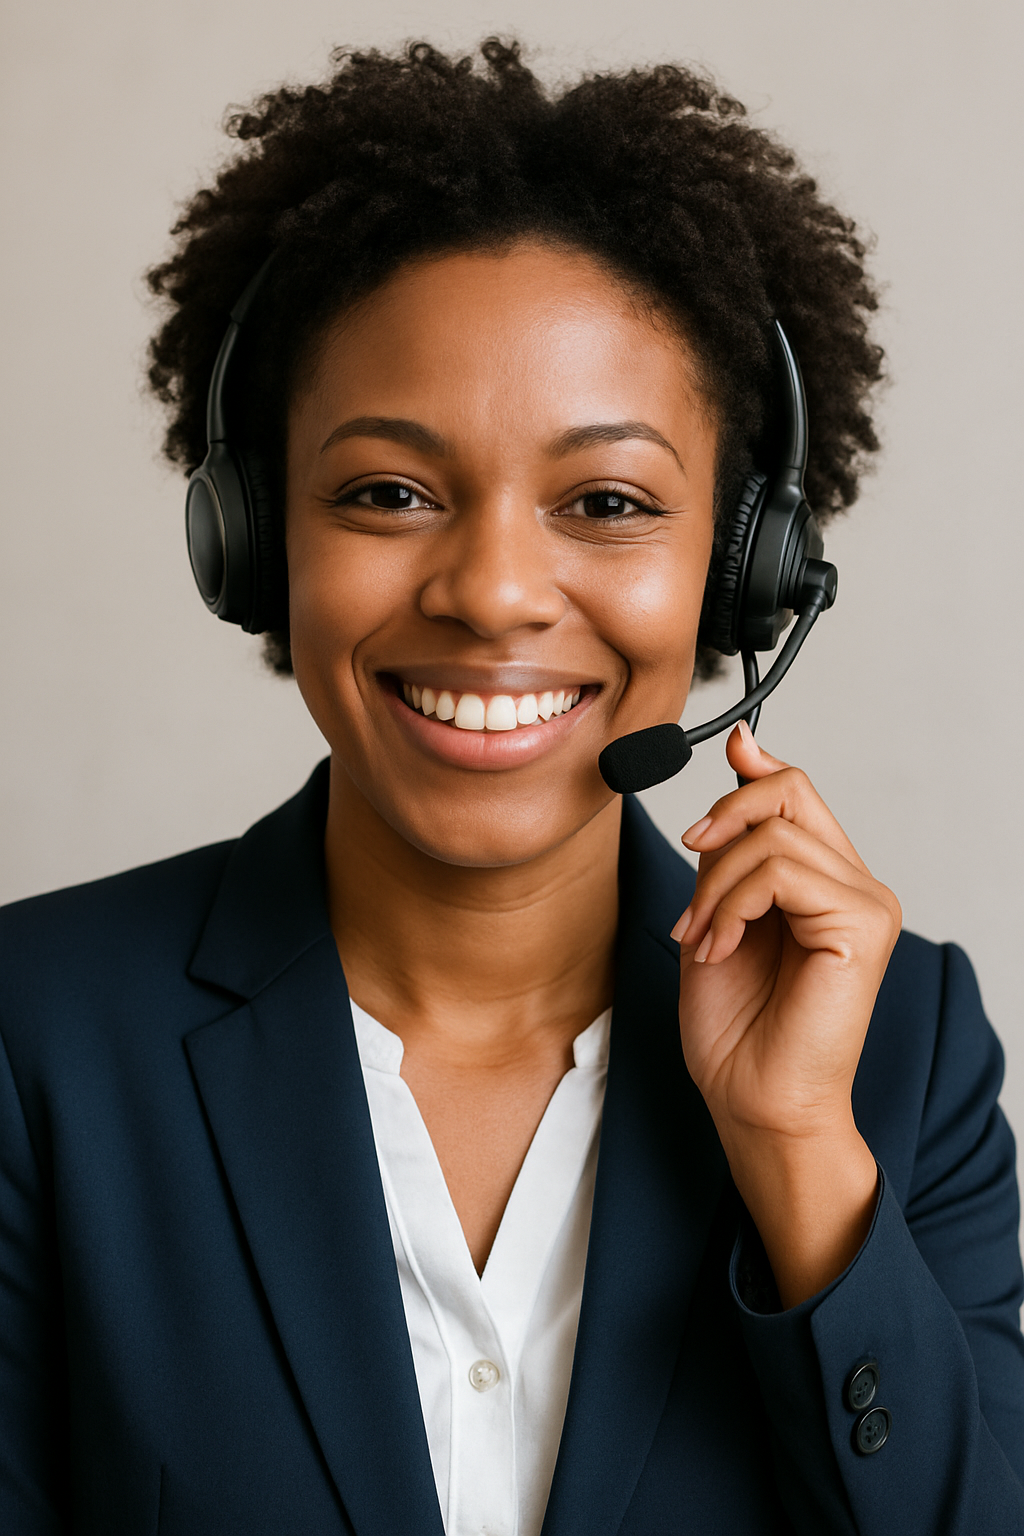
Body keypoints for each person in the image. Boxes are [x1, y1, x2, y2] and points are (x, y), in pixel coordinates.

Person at [1, 37, 1022, 1536]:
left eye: (606, 503)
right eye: (388, 493)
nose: (490, 591)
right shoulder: (37, 1040)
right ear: (250, 538)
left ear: (746, 573)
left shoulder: (900, 1057)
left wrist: (800, 1154)